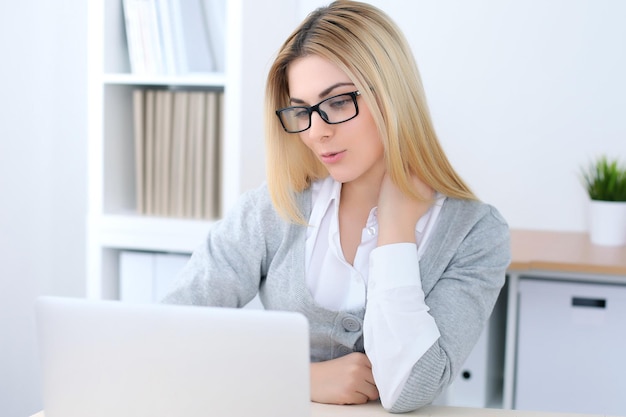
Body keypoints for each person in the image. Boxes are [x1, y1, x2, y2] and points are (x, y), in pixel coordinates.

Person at [162, 0, 510, 413]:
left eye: (339, 102)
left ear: (392, 93)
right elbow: (172, 334)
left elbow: (412, 391)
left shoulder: (477, 234)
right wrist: (299, 377)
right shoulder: (273, 209)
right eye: (302, 111)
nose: (317, 133)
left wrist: (395, 231)